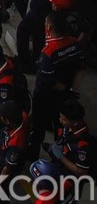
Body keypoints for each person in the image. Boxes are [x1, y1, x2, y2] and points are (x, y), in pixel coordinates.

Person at [28, 11, 84, 160]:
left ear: (49, 27)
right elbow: (80, 68)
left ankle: (33, 154)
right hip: (65, 95)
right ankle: (57, 153)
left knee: (38, 126)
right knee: (60, 127)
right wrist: (70, 90)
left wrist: (62, 88)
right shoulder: (74, 43)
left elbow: (47, 79)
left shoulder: (49, 52)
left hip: (46, 96)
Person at [0, 101, 29, 203]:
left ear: (7, 121)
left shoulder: (16, 143)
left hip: (1, 175)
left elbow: (7, 169)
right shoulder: (22, 117)